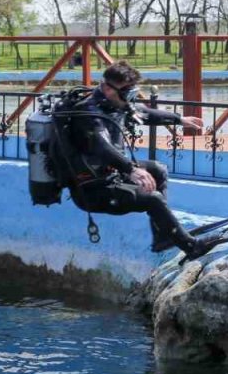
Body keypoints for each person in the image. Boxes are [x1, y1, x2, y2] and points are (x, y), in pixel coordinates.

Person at [60, 61, 216, 259]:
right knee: (154, 199)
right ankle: (192, 247)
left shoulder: (114, 103)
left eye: (132, 91)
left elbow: (144, 113)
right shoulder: (88, 113)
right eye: (126, 92)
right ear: (108, 88)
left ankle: (162, 237)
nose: (130, 98)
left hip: (111, 175)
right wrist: (131, 169)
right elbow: (102, 147)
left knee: (157, 170)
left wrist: (178, 119)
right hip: (93, 190)